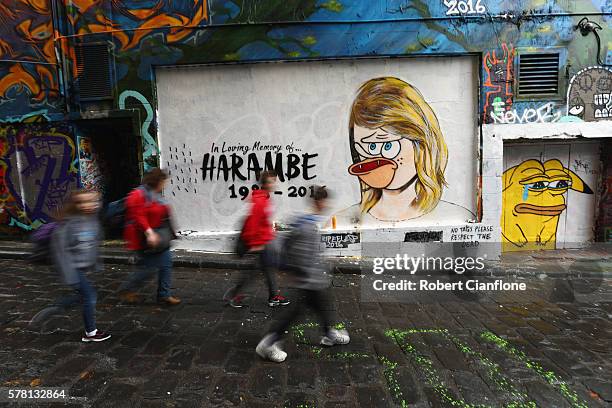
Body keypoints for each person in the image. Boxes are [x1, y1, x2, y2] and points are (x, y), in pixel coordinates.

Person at [333, 76, 474, 228]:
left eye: (387, 146)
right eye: (369, 148)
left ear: (421, 144)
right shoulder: (340, 222)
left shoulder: (457, 218)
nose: (374, 159)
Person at [256, 186, 349, 363]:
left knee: (320, 305)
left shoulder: (309, 221)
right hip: (307, 278)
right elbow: (293, 248)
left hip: (312, 278)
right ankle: (269, 343)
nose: (328, 204)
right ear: (319, 202)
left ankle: (329, 334)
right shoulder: (306, 224)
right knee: (297, 312)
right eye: (325, 201)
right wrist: (294, 271)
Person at [31, 189, 111, 342]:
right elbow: (60, 252)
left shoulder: (92, 219)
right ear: (77, 205)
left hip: (81, 266)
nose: (90, 205)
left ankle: (55, 308)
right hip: (71, 269)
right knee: (90, 296)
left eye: (93, 201)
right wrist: (71, 276)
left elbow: (92, 244)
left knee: (82, 297)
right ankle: (91, 333)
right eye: (84, 202)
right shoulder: (68, 225)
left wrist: (94, 264)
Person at [226, 170, 290, 308]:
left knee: (268, 268)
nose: (275, 184)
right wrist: (255, 244)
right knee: (256, 271)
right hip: (261, 243)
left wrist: (271, 226)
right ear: (265, 184)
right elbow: (252, 223)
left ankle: (273, 296)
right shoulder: (260, 200)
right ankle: (234, 294)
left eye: (275, 181)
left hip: (266, 241)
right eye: (273, 181)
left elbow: (261, 220)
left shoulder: (266, 197)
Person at [119, 168, 180, 305]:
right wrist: (149, 232)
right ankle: (127, 289)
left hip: (159, 237)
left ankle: (164, 294)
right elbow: (138, 215)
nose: (165, 184)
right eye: (163, 181)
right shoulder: (138, 194)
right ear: (157, 181)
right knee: (149, 268)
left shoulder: (155, 194)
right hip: (144, 239)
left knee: (166, 264)